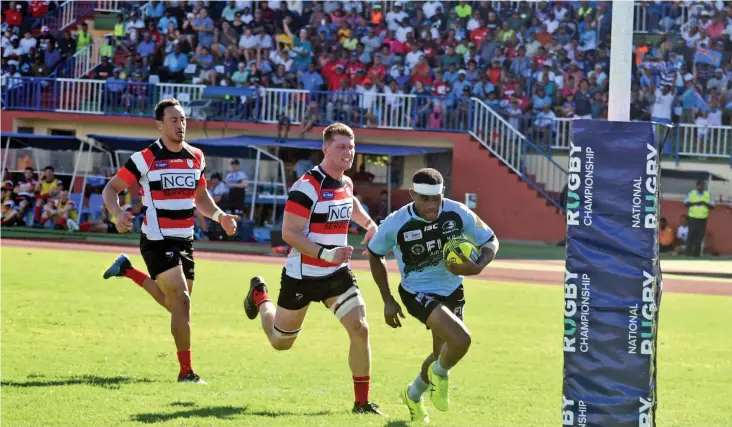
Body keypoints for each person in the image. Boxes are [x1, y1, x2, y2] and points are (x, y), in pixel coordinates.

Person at [242, 123, 386, 415]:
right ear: (325, 148)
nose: (349, 151)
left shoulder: (345, 182)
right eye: (341, 146)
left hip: (336, 274)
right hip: (303, 275)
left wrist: (370, 224)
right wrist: (325, 253)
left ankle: (361, 403)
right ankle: (260, 297)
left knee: (360, 329)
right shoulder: (307, 186)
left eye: (351, 145)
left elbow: (351, 203)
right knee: (281, 342)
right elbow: (289, 233)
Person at [100, 98, 239, 383]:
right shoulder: (145, 157)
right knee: (182, 302)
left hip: (185, 240)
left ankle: (127, 270)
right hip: (157, 239)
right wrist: (116, 213)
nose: (180, 125)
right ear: (160, 124)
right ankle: (186, 371)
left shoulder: (196, 156)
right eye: (174, 120)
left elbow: (200, 198)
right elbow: (111, 188)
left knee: (175, 303)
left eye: (183, 119)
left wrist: (220, 216)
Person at [366, 168, 499, 423]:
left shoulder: (458, 212)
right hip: (417, 291)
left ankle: (413, 395)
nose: (431, 205)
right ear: (412, 194)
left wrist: (479, 264)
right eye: (424, 199)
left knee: (442, 354)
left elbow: (490, 239)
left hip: (452, 289)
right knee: (461, 340)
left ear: (443, 193)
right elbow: (375, 253)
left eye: (436, 198)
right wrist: (387, 299)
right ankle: (441, 376)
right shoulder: (396, 222)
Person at [683, 180, 715, 257]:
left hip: (703, 219)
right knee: (691, 236)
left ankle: (696, 254)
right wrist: (696, 203)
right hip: (693, 218)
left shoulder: (707, 194)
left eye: (702, 185)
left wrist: (705, 203)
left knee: (700, 237)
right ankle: (688, 253)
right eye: (700, 185)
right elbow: (686, 203)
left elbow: (713, 206)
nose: (701, 187)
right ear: (697, 186)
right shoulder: (691, 193)